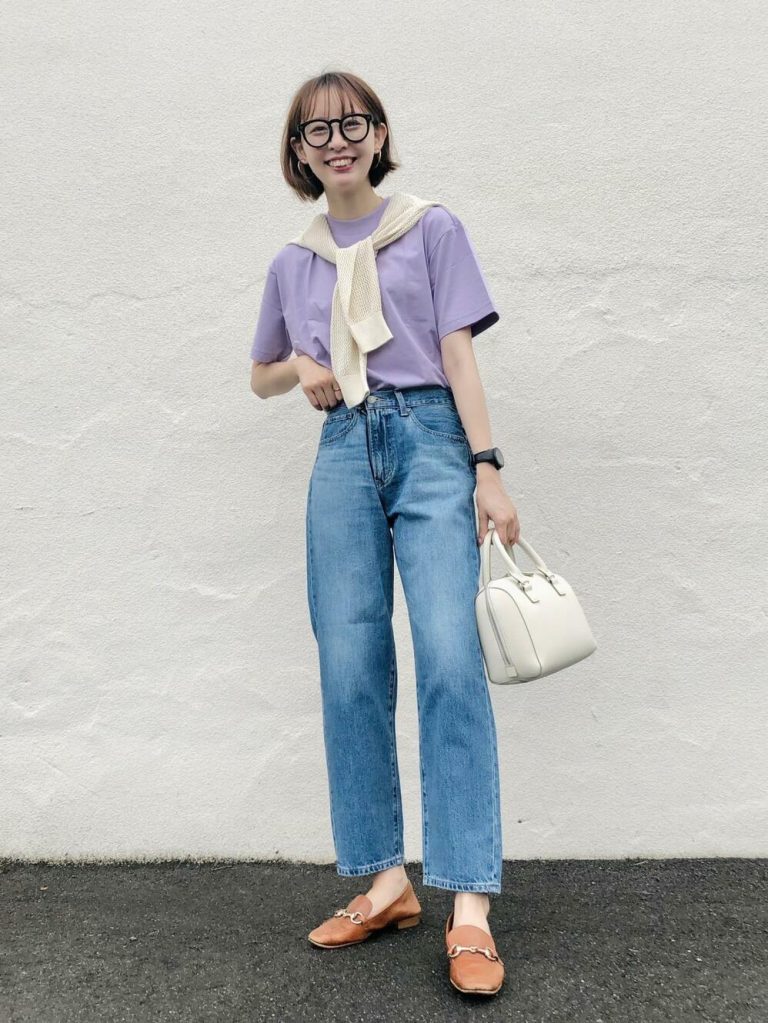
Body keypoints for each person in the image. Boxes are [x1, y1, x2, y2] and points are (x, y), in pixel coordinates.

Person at [249, 70, 520, 996]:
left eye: (352, 124)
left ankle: (469, 902)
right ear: (298, 152)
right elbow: (260, 375)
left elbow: (456, 353)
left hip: (431, 441)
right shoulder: (295, 261)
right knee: (350, 661)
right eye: (317, 131)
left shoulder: (429, 228)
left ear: (379, 134)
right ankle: (386, 881)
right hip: (341, 452)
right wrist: (301, 362)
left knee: (448, 655)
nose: (338, 141)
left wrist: (487, 466)